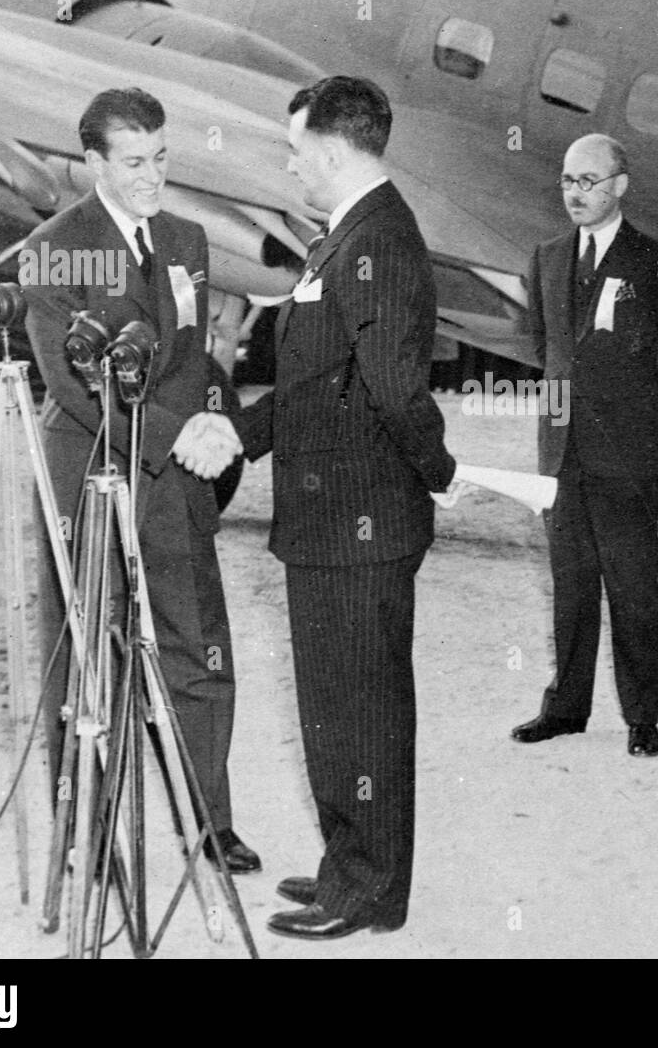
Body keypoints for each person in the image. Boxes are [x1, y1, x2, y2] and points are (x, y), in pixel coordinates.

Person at [230, 76, 458, 940]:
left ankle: (373, 888)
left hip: (364, 522)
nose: (291, 167)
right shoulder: (348, 238)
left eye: (295, 152)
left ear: (330, 150)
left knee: (363, 707)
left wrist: (436, 470)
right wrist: (240, 433)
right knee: (332, 707)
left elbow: (398, 388)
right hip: (328, 521)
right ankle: (346, 866)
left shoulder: (381, 241)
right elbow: (315, 379)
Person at [22, 87, 259, 874]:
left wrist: (208, 426)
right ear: (93, 161)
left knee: (199, 645)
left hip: (174, 479)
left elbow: (194, 356)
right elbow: (70, 382)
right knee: (88, 651)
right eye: (133, 163)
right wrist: (173, 431)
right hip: (89, 469)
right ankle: (87, 831)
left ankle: (209, 820)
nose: (153, 176)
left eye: (161, 158)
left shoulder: (186, 237)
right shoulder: (61, 247)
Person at [512, 133, 658, 758]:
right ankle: (566, 709)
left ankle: (642, 717)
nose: (576, 193)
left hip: (630, 457)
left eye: (589, 181)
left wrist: (641, 409)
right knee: (571, 587)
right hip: (562, 456)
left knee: (634, 589)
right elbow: (542, 347)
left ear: (620, 186)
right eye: (567, 181)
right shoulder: (547, 257)